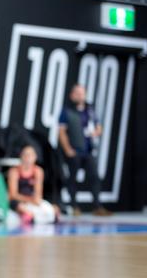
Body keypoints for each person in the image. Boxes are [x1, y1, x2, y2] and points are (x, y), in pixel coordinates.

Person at [58, 84, 112, 217]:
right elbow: (61, 132)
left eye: (82, 93)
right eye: (77, 93)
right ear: (72, 95)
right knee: (73, 179)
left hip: (87, 150)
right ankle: (74, 206)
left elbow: (99, 127)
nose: (79, 95)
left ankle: (97, 206)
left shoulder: (90, 110)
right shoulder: (67, 111)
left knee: (94, 177)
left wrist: (96, 132)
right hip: (74, 150)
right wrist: (68, 149)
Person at [7, 145, 59, 224]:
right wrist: (30, 200)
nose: (27, 158)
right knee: (19, 206)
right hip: (18, 200)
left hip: (32, 201)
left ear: (35, 157)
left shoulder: (38, 171)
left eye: (30, 155)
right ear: (21, 156)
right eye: (25, 155)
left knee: (52, 209)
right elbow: (13, 194)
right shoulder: (14, 171)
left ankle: (35, 216)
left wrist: (35, 201)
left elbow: (38, 194)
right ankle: (27, 216)